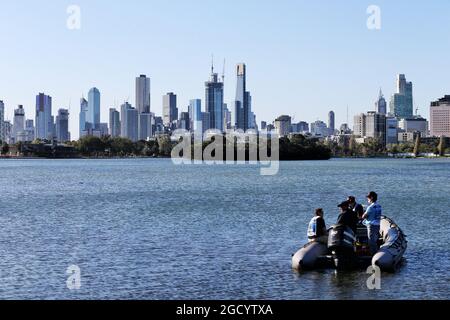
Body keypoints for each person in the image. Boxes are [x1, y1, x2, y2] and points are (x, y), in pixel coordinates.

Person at [362, 191, 382, 255]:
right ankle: (376, 252)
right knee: (375, 239)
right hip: (378, 224)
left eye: (368, 197)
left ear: (371, 198)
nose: (367, 199)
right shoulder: (379, 206)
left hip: (371, 225)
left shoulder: (370, 207)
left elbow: (363, 216)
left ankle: (374, 254)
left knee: (371, 241)